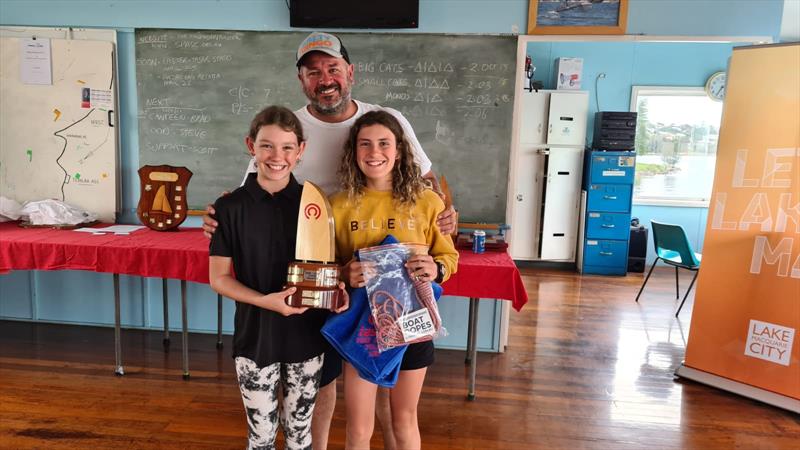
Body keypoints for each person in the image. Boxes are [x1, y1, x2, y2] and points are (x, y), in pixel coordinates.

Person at [203, 32, 457, 450]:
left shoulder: (385, 119)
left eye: (333, 68)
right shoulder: (290, 126)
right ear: (302, 79)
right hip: (325, 282)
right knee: (324, 388)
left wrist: (448, 217)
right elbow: (249, 191)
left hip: (391, 298)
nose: (325, 78)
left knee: (395, 409)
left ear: (349, 72)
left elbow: (429, 186)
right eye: (313, 71)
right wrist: (218, 216)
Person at [208, 106, 348, 450]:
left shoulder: (313, 204)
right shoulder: (229, 208)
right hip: (255, 337)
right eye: (267, 145)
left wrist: (336, 290)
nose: (277, 156)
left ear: (301, 150)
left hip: (306, 337)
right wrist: (263, 301)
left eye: (287, 147)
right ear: (250, 145)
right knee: (261, 437)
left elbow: (326, 269)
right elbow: (219, 278)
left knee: (300, 434)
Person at [330, 110, 458, 450]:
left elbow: (448, 257)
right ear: (353, 153)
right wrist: (344, 273)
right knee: (359, 429)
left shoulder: (428, 202)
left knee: (404, 420)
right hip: (362, 327)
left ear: (399, 151)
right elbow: (328, 266)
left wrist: (436, 270)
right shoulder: (339, 205)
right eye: (365, 145)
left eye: (384, 144)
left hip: (414, 324)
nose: (375, 153)